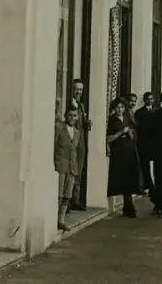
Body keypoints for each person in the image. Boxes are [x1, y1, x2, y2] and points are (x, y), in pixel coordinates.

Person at [106, 97, 142, 218]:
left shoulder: (128, 119)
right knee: (122, 177)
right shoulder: (112, 120)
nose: (120, 110)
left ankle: (128, 205)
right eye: (118, 107)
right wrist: (121, 132)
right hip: (119, 152)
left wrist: (131, 134)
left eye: (122, 107)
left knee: (130, 176)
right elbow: (109, 138)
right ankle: (129, 206)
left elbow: (135, 132)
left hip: (130, 150)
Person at [54, 107, 83, 231]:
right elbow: (54, 146)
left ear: (78, 118)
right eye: (70, 115)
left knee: (67, 195)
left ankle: (61, 220)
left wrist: (77, 167)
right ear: (66, 116)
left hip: (72, 167)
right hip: (60, 165)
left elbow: (77, 150)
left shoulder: (77, 132)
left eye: (75, 115)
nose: (72, 118)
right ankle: (53, 218)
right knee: (58, 194)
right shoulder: (59, 128)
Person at [69, 79, 91, 211]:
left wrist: (87, 123)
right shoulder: (70, 104)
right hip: (72, 139)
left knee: (79, 167)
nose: (78, 92)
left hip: (81, 139)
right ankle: (68, 200)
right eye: (76, 89)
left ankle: (75, 199)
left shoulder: (81, 106)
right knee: (71, 168)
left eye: (80, 90)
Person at [134, 91, 156, 202]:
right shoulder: (139, 113)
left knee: (153, 166)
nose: (150, 101)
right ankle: (149, 186)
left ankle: (151, 186)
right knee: (145, 165)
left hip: (153, 143)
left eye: (151, 99)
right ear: (144, 100)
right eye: (148, 99)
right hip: (143, 143)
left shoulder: (156, 111)